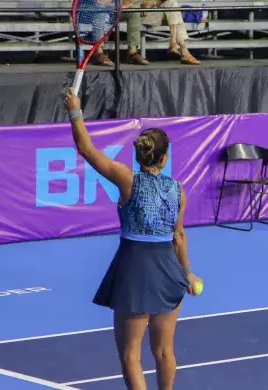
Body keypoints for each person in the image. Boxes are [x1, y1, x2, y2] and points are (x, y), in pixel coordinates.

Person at [64, 88, 202, 390]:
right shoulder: (178, 190)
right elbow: (178, 235)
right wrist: (187, 272)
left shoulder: (127, 179)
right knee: (164, 352)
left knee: (130, 355)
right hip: (168, 272)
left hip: (134, 272)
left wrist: (75, 111)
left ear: (139, 154)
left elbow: (86, 149)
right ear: (164, 158)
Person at [123, 0, 200, 65]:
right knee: (176, 16)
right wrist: (145, 4)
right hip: (137, 13)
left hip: (151, 11)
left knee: (172, 3)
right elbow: (124, 4)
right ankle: (182, 50)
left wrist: (154, 2)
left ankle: (179, 46)